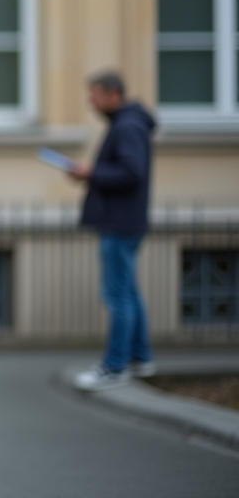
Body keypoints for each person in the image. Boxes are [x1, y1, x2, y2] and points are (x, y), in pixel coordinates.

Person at [70, 71, 157, 391]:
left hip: (120, 223)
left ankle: (115, 365)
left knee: (117, 294)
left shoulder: (127, 126)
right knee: (128, 292)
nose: (90, 102)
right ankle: (140, 357)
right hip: (124, 220)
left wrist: (92, 171)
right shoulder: (129, 124)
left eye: (94, 95)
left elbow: (131, 172)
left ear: (112, 94)